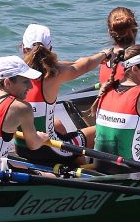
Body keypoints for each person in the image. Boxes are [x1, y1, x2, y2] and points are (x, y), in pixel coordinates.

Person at [15, 23, 103, 166]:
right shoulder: (55, 74)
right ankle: (87, 165)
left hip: (22, 148)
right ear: (50, 50)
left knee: (58, 124)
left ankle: (76, 160)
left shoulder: (13, 75)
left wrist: (73, 63)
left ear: (24, 49)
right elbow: (86, 65)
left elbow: (67, 64)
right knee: (102, 130)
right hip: (50, 149)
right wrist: (104, 54)